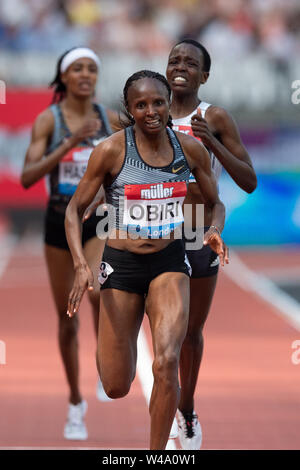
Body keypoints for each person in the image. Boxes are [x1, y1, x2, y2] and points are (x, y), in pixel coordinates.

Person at [64, 70, 227, 450]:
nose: (151, 111)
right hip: (121, 267)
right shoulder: (111, 150)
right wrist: (79, 264)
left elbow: (215, 201)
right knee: (116, 384)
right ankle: (109, 346)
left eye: (158, 102)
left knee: (166, 362)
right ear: (130, 109)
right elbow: (74, 210)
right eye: (141, 105)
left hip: (170, 264)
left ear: (169, 103)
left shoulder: (189, 149)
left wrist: (214, 229)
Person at [21, 46, 119, 441]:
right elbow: (28, 176)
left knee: (96, 291)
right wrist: (69, 143)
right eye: (77, 68)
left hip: (95, 219)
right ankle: (76, 402)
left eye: (91, 69)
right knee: (67, 318)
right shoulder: (49, 120)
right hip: (58, 222)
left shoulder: (108, 118)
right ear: (63, 77)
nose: (85, 74)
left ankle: (102, 362)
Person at [166, 39, 257, 449]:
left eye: (191, 62)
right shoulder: (148, 111)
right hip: (156, 236)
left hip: (200, 233)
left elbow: (248, 181)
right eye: (174, 60)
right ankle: (168, 412)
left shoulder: (213, 116)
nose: (180, 66)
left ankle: (186, 410)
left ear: (205, 75)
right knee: (166, 334)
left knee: (190, 333)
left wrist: (212, 141)